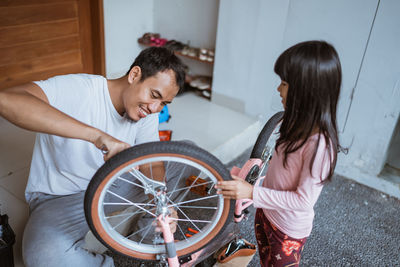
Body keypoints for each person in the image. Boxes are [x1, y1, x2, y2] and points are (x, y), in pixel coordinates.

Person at [0, 47, 186, 266]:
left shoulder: (148, 111)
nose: (156, 108)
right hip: (64, 196)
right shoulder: (81, 88)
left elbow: (152, 160)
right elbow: (6, 99)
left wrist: (161, 200)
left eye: (164, 103)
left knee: (186, 156)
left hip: (113, 185)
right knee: (44, 255)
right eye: (154, 95)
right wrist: (98, 137)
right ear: (134, 75)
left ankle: (145, 243)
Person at [215, 40, 342, 267]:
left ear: (307, 92)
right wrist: (253, 186)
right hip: (266, 212)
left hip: (287, 230)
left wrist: (252, 192)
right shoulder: (293, 122)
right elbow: (281, 170)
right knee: (266, 260)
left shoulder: (320, 145)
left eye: (284, 83)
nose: (278, 89)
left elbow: (303, 201)